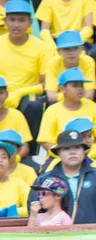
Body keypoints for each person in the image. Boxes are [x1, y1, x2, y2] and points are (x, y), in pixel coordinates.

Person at [29, 129, 96, 224]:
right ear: (58, 153)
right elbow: (35, 208)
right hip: (56, 237)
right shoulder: (45, 180)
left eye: (77, 147)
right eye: (66, 149)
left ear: (84, 151)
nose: (72, 152)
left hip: (94, 236)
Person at [0, 0, 53, 156]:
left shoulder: (41, 47)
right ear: (5, 21)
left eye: (22, 20)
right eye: (12, 19)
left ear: (30, 22)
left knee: (34, 104)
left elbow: (45, 83)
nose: (16, 25)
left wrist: (19, 93)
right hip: (2, 90)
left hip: (27, 93)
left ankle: (29, 152)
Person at [37, 68, 96, 163]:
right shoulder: (52, 111)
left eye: (81, 85)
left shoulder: (92, 106)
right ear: (62, 89)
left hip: (90, 155)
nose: (80, 89)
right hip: (60, 157)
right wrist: (64, 154)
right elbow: (45, 141)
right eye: (75, 86)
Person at [44, 30, 96, 104]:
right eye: (66, 49)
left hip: (82, 101)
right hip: (61, 103)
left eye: (75, 48)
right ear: (59, 51)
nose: (71, 53)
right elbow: (51, 95)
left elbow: (89, 95)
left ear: (81, 49)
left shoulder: (88, 61)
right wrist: (72, 97)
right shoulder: (52, 63)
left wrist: (69, 97)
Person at [0, 77, 33, 160]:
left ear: (7, 94)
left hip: (12, 160)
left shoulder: (16, 115)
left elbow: (25, 148)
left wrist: (10, 161)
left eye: (1, 93)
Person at [0, 140, 30, 217]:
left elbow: (30, 207)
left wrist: (9, 212)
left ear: (9, 162)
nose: (0, 160)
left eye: (4, 157)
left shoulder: (19, 184)